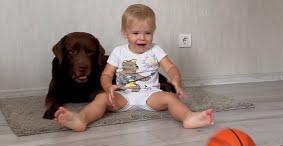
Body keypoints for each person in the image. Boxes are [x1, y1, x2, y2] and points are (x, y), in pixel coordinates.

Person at [54, 4, 214, 132]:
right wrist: (108, 87)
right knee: (101, 99)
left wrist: (176, 80)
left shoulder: (156, 50)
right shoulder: (119, 52)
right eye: (136, 33)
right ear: (125, 32)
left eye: (148, 33)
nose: (142, 38)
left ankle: (188, 117)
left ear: (153, 32)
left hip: (151, 94)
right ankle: (80, 119)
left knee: (171, 98)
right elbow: (106, 75)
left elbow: (170, 67)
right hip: (123, 95)